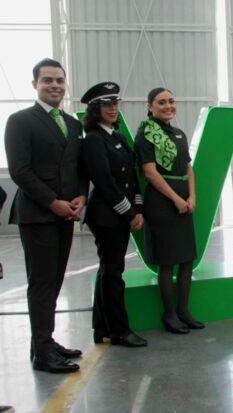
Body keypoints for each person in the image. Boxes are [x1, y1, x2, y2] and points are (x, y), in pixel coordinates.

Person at [4, 58, 87, 373]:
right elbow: (20, 170)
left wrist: (81, 195)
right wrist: (53, 202)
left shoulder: (73, 124)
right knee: (41, 283)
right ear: (34, 84)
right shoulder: (20, 121)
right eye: (47, 80)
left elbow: (78, 167)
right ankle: (42, 354)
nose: (55, 86)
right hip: (38, 214)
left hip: (66, 214)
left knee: (54, 281)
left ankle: (44, 342)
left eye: (59, 80)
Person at [81, 82, 148, 348]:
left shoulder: (117, 137)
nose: (112, 109)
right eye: (106, 105)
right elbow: (105, 183)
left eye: (115, 104)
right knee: (113, 274)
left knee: (107, 271)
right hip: (106, 216)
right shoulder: (94, 140)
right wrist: (130, 213)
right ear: (95, 109)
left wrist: (138, 208)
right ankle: (119, 331)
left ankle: (102, 327)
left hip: (119, 215)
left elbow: (132, 178)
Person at [134, 88, 203, 333]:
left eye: (171, 101)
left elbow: (188, 167)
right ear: (150, 106)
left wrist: (192, 196)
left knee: (186, 258)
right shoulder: (146, 135)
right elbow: (150, 173)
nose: (168, 106)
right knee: (167, 261)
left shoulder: (179, 134)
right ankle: (169, 314)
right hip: (162, 203)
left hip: (184, 200)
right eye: (161, 102)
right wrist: (175, 199)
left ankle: (183, 310)